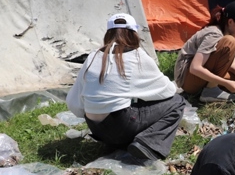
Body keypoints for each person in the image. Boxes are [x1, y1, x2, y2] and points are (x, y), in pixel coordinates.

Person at [66, 13, 185, 161]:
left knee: (126, 102)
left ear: (108, 33)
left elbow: (74, 103)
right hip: (121, 126)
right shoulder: (137, 55)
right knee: (177, 102)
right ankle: (148, 144)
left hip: (95, 128)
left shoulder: (92, 56)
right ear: (133, 33)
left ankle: (116, 143)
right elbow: (167, 91)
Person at [174, 1, 235, 103]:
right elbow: (195, 68)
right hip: (188, 80)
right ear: (230, 22)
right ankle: (210, 91)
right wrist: (225, 83)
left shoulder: (225, 34)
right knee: (230, 42)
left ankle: (210, 89)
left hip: (203, 75)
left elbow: (230, 63)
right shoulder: (214, 34)